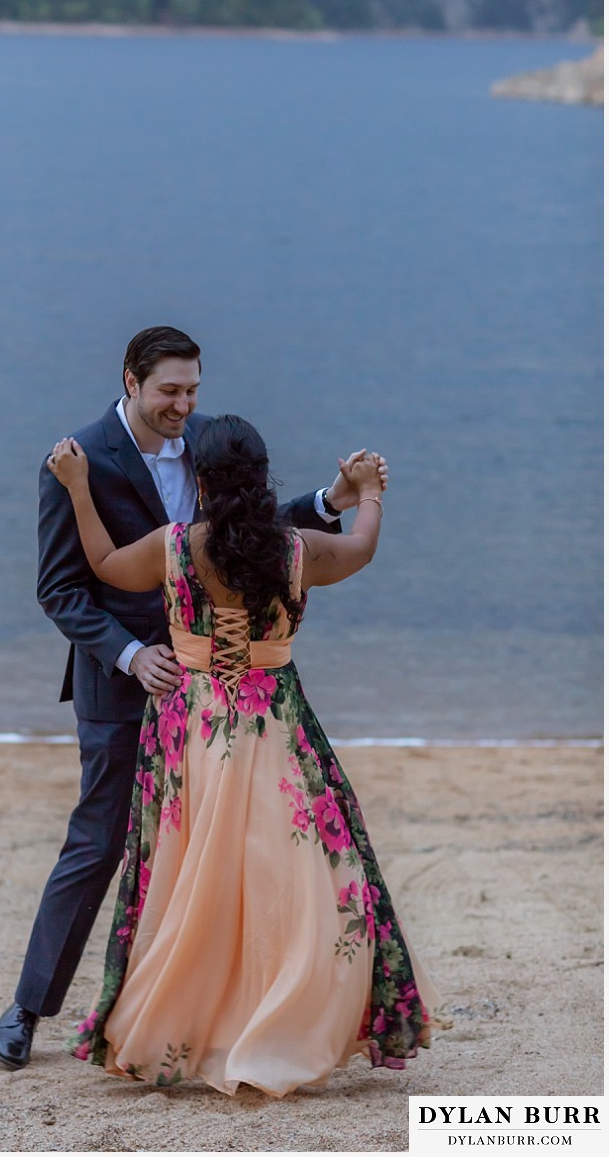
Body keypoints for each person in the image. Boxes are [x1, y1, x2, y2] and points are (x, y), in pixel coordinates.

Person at [0, 326, 386, 1070]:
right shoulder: (75, 459)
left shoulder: (206, 439)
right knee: (99, 840)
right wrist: (133, 655)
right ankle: (28, 1008)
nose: (185, 404)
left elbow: (253, 527)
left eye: (194, 389)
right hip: (123, 681)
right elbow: (62, 588)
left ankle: (200, 1013)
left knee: (222, 849)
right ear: (131, 381)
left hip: (215, 695)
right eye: (171, 390)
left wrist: (331, 498)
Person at [48, 415, 437, 1095]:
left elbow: (104, 564)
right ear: (261, 480)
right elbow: (365, 547)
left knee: (194, 875)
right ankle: (284, 1018)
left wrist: (79, 489)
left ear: (199, 479)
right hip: (275, 728)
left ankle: (189, 1026)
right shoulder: (298, 551)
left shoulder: (175, 547)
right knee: (289, 871)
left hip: (192, 730)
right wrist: (369, 490)